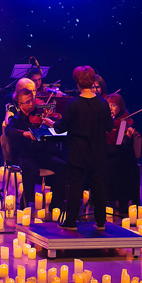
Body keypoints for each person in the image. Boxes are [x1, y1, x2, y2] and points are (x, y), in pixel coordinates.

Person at [51, 65, 113, 230]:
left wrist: (52, 124)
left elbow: (61, 128)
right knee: (98, 186)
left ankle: (71, 222)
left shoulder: (73, 104)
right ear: (93, 82)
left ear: (77, 83)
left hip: (77, 151)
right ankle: (101, 222)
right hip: (98, 151)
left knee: (74, 186)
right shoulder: (103, 104)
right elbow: (109, 127)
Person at [5, 89, 66, 211]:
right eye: (27, 102)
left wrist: (51, 126)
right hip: (25, 155)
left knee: (63, 167)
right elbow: (8, 131)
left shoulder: (39, 116)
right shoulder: (16, 118)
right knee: (30, 169)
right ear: (20, 104)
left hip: (42, 155)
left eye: (32, 100)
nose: (31, 104)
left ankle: (56, 203)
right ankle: (26, 203)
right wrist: (24, 133)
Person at [104, 93, 139, 215]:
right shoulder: (104, 121)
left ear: (120, 107)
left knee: (112, 166)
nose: (110, 108)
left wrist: (128, 137)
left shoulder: (127, 121)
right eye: (108, 105)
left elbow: (124, 148)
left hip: (122, 155)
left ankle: (120, 203)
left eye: (114, 105)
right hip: (108, 153)